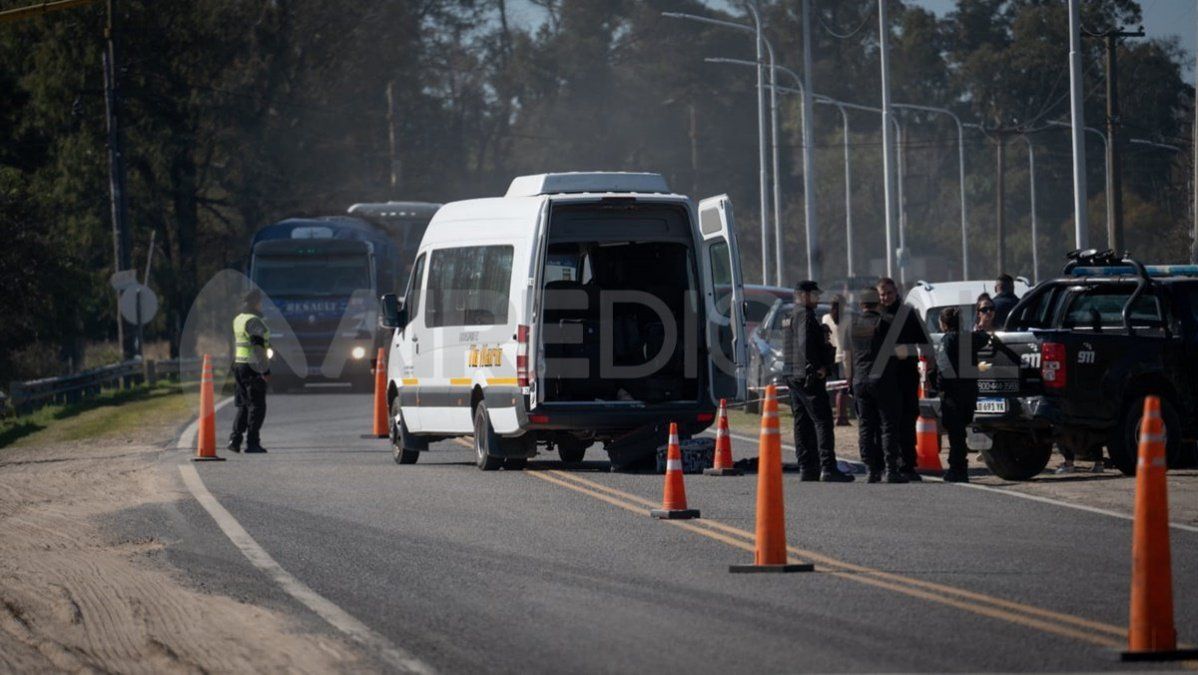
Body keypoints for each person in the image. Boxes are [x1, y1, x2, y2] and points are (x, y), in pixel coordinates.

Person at [783, 280, 854, 482]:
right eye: (815, 294)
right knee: (822, 420)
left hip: (792, 375)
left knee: (802, 422)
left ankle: (807, 467)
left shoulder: (789, 316)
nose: (818, 298)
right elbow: (806, 345)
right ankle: (828, 467)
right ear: (803, 295)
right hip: (807, 377)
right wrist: (818, 368)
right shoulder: (805, 316)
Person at [846, 289, 906, 483]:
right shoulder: (885, 323)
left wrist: (850, 380)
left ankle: (871, 470)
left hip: (860, 380)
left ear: (861, 305)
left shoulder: (853, 325)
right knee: (888, 426)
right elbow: (900, 352)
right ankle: (890, 470)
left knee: (865, 427)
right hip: (883, 380)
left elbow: (848, 357)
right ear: (877, 304)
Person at [876, 277, 930, 480]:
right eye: (882, 294)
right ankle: (886, 465)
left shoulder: (908, 314)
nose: (886, 297)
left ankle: (908, 464)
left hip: (906, 375)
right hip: (885, 378)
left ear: (895, 292)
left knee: (907, 419)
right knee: (887, 422)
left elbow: (924, 343)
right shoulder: (876, 316)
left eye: (889, 293)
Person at [935, 307, 990, 483]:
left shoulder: (948, 340)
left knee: (955, 434)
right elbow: (984, 338)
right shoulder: (969, 338)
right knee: (960, 433)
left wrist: (939, 387)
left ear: (944, 324)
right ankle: (959, 467)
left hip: (953, 393)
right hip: (969, 392)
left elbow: (943, 369)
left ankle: (957, 469)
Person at [228, 289, 271, 454]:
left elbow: (242, 343)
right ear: (255, 302)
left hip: (240, 365)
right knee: (257, 406)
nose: (261, 304)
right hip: (253, 367)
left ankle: (235, 440)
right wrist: (265, 370)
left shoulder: (238, 319)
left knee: (244, 405)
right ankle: (252, 443)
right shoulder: (254, 321)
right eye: (260, 301)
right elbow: (257, 346)